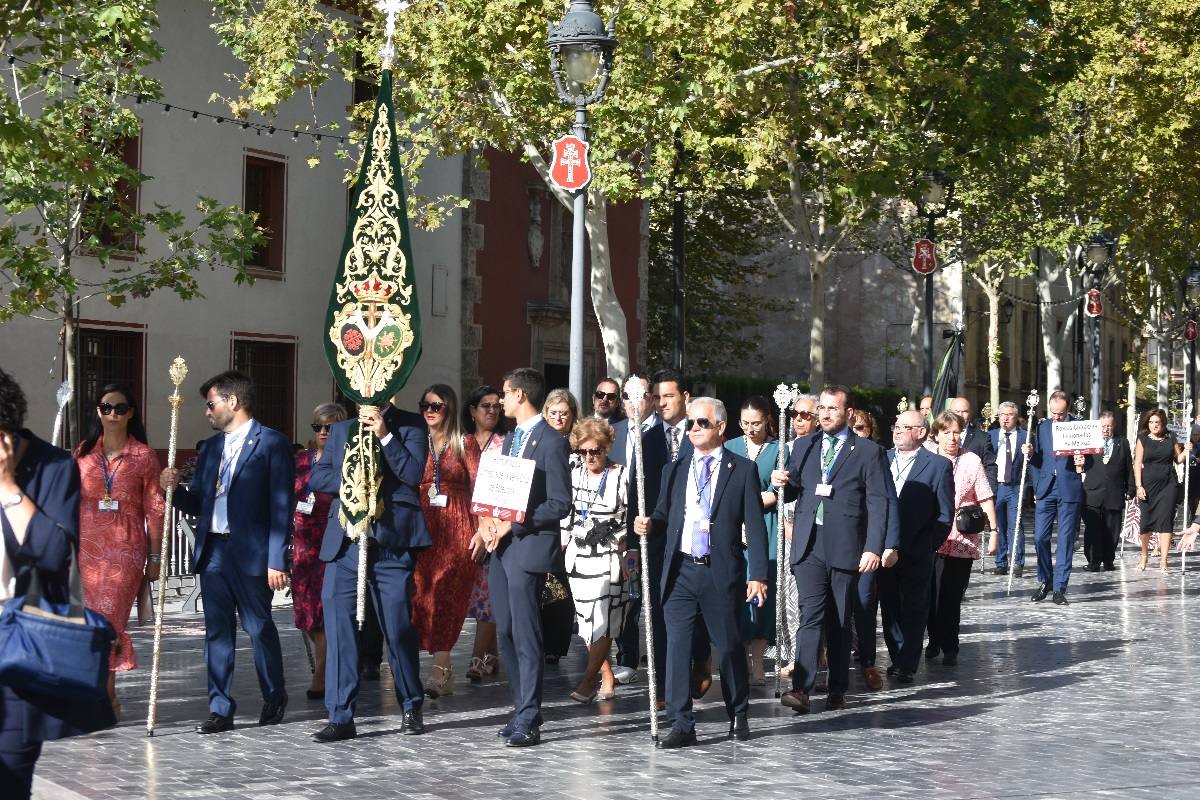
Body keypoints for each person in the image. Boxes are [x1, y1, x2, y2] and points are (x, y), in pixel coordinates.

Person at [0, 369, 114, 798]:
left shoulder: (50, 468)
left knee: (10, 778)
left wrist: (9, 487)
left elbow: (53, 555)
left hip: (17, 648)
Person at [159, 370, 293, 734]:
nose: (207, 411)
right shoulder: (211, 448)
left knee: (258, 625)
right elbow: (200, 501)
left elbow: (282, 505)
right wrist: (169, 488)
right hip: (214, 550)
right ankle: (220, 707)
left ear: (233, 402)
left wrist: (277, 559)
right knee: (217, 632)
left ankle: (273, 693)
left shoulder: (271, 444)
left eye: (211, 403)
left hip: (250, 551)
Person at [634, 397, 769, 747]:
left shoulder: (741, 470)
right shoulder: (676, 469)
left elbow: (754, 525)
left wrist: (758, 574)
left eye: (701, 423)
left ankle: (738, 711)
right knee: (676, 648)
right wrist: (649, 524)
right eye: (691, 423)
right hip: (680, 570)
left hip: (718, 571)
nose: (693, 429)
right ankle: (681, 723)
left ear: (720, 428)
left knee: (727, 646)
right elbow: (665, 514)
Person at [309, 394, 430, 742]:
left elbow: (411, 473)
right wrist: (353, 481)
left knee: (396, 628)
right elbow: (319, 477)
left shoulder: (410, 424)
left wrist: (385, 436)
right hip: (346, 544)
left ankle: (410, 703)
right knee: (340, 630)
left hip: (390, 544)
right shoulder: (342, 429)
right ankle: (340, 714)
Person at [771, 385, 893, 714]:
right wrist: (780, 482)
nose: (824, 414)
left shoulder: (868, 452)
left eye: (832, 409)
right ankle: (802, 688)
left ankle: (838, 686)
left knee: (839, 619)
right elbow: (795, 488)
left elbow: (879, 503)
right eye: (821, 409)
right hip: (809, 543)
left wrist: (873, 547)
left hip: (846, 545)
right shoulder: (804, 446)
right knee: (810, 615)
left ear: (848, 413)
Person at [475, 367, 571, 748]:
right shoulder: (511, 438)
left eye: (505, 392)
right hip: (502, 548)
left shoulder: (551, 440)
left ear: (520, 395)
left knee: (528, 633)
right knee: (508, 630)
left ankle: (530, 714)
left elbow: (561, 503)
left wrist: (512, 524)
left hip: (527, 546)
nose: (501, 399)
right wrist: (486, 520)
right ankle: (520, 707)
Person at [74, 383, 165, 719]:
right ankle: (103, 695)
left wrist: (155, 556)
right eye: (106, 407)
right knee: (89, 624)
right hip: (86, 551)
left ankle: (104, 695)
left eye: (120, 408)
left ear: (131, 413)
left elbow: (155, 508)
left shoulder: (144, 456)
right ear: (98, 412)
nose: (113, 414)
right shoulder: (83, 452)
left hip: (125, 551)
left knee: (107, 622)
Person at [411, 385, 480, 698]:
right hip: (423, 528)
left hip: (457, 529)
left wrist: (482, 530)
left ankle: (440, 669)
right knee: (422, 595)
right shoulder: (415, 440)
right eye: (425, 404)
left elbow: (480, 486)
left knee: (446, 596)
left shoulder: (464, 443)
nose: (429, 410)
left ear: (449, 409)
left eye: (437, 406)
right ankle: (442, 667)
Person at [875, 410, 953, 682]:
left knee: (915, 606)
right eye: (895, 426)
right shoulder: (880, 459)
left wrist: (928, 544)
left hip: (917, 548)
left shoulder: (938, 465)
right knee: (890, 605)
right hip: (883, 548)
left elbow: (944, 514)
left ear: (921, 432)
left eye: (904, 427)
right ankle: (897, 655)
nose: (896, 431)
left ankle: (908, 661)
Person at [563, 417, 628, 703]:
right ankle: (606, 674)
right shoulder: (572, 473)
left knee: (603, 619)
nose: (589, 456)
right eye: (583, 451)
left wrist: (625, 548)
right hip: (577, 557)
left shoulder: (621, 475)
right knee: (586, 621)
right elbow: (566, 514)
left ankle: (588, 682)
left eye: (595, 450)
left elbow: (629, 516)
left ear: (607, 447)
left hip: (609, 556)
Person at [926, 411, 997, 666]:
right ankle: (933, 639)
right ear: (936, 435)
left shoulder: (972, 460)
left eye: (956, 432)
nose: (952, 438)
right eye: (946, 432)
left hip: (961, 536)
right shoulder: (928, 458)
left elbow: (985, 496)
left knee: (952, 595)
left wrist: (994, 532)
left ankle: (950, 645)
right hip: (932, 535)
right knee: (931, 593)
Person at [291, 403, 346, 701]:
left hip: (331, 544)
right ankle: (327, 661)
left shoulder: (346, 461)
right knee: (306, 614)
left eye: (330, 427)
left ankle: (322, 673)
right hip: (303, 548)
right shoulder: (301, 461)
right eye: (318, 427)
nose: (323, 432)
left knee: (324, 613)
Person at [725, 396, 779, 686]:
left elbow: (776, 491)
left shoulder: (778, 450)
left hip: (765, 525)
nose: (750, 428)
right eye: (745, 423)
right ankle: (740, 658)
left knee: (761, 596)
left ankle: (759, 662)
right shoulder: (730, 447)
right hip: (734, 527)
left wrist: (749, 506)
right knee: (736, 592)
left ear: (767, 420)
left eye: (756, 423)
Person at [611, 373, 661, 685]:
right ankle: (627, 656)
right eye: (628, 397)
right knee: (626, 594)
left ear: (652, 399)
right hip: (618, 526)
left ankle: (658, 655)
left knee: (651, 594)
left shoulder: (663, 435)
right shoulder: (612, 433)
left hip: (653, 524)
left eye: (641, 395)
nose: (634, 402)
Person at [1021, 390, 1089, 604]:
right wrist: (1031, 454)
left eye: (1060, 413)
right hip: (1046, 488)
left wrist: (1082, 461)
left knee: (1066, 540)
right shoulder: (1042, 427)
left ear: (1067, 409)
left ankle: (1060, 587)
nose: (1056, 417)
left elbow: (1091, 461)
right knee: (1040, 537)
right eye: (1053, 412)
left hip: (1069, 487)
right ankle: (1046, 580)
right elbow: (1038, 461)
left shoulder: (1079, 427)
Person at [463, 384, 504, 682]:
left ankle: (478, 658)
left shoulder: (505, 444)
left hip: (491, 528)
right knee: (474, 596)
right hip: (460, 526)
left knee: (486, 597)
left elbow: (505, 493)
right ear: (472, 411)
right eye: (485, 405)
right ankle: (493, 655)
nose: (491, 410)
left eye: (495, 406)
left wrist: (485, 526)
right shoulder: (460, 443)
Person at [539, 387, 579, 664]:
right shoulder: (539, 442)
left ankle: (557, 644)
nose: (558, 418)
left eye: (564, 414)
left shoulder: (579, 446)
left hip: (574, 527)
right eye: (553, 413)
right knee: (546, 587)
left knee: (563, 592)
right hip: (546, 523)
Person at [1133, 408, 1188, 573]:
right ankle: (1144, 555)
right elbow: (1137, 463)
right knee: (1146, 522)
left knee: (1165, 521)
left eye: (1157, 422)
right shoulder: (1142, 438)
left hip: (1168, 484)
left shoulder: (1171, 437)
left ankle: (1164, 560)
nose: (1154, 425)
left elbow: (1178, 460)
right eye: (1151, 422)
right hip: (1147, 484)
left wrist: (1186, 449)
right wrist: (1138, 485)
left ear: (1163, 423)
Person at [1082, 411, 1134, 572]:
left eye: (1109, 426)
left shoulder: (1122, 442)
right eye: (1103, 426)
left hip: (1114, 492)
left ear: (1114, 426)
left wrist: (1131, 488)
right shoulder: (1089, 442)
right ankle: (1093, 560)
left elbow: (1129, 467)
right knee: (1093, 529)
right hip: (1092, 492)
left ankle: (1108, 560)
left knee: (1112, 530)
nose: (1106, 429)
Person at [989, 401, 1027, 576]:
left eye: (1009, 414)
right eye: (1002, 414)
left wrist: (1031, 452)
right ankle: (1001, 562)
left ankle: (1017, 561)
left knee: (1015, 525)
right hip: (996, 487)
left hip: (1015, 486)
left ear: (1016, 417)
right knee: (998, 525)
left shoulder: (1025, 436)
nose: (1005, 418)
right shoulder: (991, 435)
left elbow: (1032, 464)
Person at [948, 396, 998, 491]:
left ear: (970, 413)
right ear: (950, 413)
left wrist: (990, 494)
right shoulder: (940, 435)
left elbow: (990, 467)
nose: (960, 415)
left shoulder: (982, 438)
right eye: (957, 411)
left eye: (964, 411)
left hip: (972, 494)